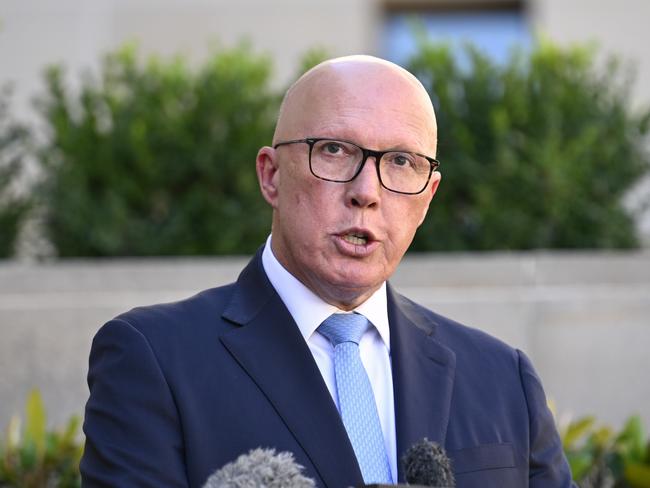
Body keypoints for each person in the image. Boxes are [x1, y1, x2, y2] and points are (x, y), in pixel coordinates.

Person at [80, 55, 575, 487]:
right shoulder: (153, 359)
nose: (367, 191)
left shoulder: (502, 379)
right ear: (271, 175)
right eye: (336, 151)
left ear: (427, 199)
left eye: (401, 161)